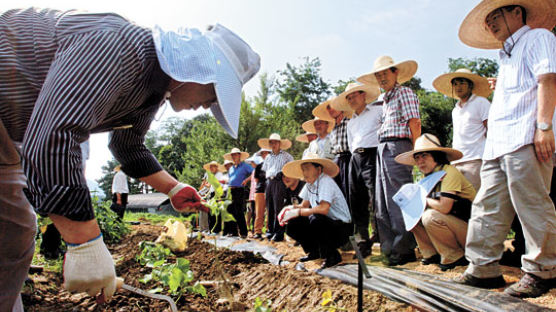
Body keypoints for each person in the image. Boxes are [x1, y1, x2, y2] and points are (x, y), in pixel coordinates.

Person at [0, 8, 260, 310]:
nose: (208, 106)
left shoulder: (151, 89)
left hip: (7, 132)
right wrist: (85, 243)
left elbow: (129, 146)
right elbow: (52, 138)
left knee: (13, 233)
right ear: (197, 68)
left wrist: (172, 188)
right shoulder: (119, 47)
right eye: (214, 93)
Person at [454, 0, 556, 298]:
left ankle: (543, 271)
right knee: (488, 206)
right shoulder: (506, 57)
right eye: (488, 20)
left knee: (532, 205)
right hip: (497, 145)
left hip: (525, 136)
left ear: (516, 11)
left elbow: (548, 78)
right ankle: (482, 268)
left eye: (496, 15)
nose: (491, 24)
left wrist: (544, 127)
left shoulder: (538, 37)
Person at [357, 55, 421, 266]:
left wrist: (416, 152)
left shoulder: (405, 93)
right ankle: (389, 247)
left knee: (398, 196)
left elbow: (414, 123)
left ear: (395, 73)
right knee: (381, 200)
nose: (382, 77)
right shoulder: (384, 100)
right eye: (378, 74)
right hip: (382, 147)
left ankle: (404, 249)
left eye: (385, 72)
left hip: (398, 145)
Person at [395, 134, 476, 271]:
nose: (420, 162)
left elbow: (444, 208)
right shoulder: (426, 179)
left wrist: (422, 199)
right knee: (412, 213)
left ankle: (454, 256)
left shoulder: (448, 172)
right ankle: (431, 254)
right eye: (417, 158)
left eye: (424, 156)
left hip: (472, 231)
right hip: (455, 227)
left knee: (430, 216)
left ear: (436, 156)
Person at [332, 82, 381, 257]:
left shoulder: (377, 111)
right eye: (349, 97)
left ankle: (381, 237)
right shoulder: (351, 122)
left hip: (372, 154)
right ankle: (362, 241)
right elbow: (352, 144)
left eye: (355, 95)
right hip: (355, 157)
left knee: (375, 198)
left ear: (363, 95)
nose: (352, 100)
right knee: (356, 200)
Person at [280, 153, 352, 269]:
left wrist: (298, 212)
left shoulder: (325, 181)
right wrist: (288, 210)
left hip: (341, 228)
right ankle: (314, 251)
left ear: (318, 169)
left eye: (307, 169)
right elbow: (304, 205)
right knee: (293, 224)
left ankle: (332, 256)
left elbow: (323, 209)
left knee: (316, 218)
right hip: (326, 224)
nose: (304, 173)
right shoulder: (310, 184)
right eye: (303, 169)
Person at [433, 68, 491, 191]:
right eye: (455, 84)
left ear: (470, 85)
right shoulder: (455, 110)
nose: (458, 86)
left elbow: (491, 129)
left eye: (462, 82)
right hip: (457, 161)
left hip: (475, 159)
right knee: (459, 201)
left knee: (475, 200)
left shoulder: (481, 102)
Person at [313, 98, 352, 206]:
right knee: (339, 194)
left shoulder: (350, 122)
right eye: (328, 108)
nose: (331, 110)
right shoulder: (333, 130)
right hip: (337, 162)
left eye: (333, 106)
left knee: (350, 193)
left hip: (350, 159)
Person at [258, 133, 294, 241]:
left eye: (275, 142)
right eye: (272, 142)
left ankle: (279, 233)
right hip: (269, 182)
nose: (273, 144)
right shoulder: (268, 157)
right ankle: (270, 231)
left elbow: (292, 167)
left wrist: (283, 174)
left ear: (280, 143)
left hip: (280, 181)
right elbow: (265, 170)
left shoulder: (286, 156)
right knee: (270, 207)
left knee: (278, 207)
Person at [222, 148, 253, 237]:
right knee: (230, 211)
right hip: (230, 190)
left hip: (239, 190)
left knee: (239, 211)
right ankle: (233, 232)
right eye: (233, 155)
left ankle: (243, 232)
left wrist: (247, 180)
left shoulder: (244, 165)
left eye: (236, 154)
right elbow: (230, 179)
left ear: (239, 155)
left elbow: (254, 172)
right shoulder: (231, 168)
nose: (234, 156)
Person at [199, 161, 226, 232]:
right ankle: (211, 229)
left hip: (217, 194)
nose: (211, 168)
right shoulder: (211, 175)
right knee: (211, 213)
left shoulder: (219, 175)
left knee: (216, 213)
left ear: (216, 167)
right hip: (211, 194)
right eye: (210, 167)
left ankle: (216, 230)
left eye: (213, 166)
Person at [252, 149, 271, 239]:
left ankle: (269, 230)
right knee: (259, 212)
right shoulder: (259, 166)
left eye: (266, 153)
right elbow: (256, 180)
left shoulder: (273, 165)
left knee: (270, 211)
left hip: (271, 190)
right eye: (263, 153)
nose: (265, 154)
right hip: (260, 190)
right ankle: (257, 231)